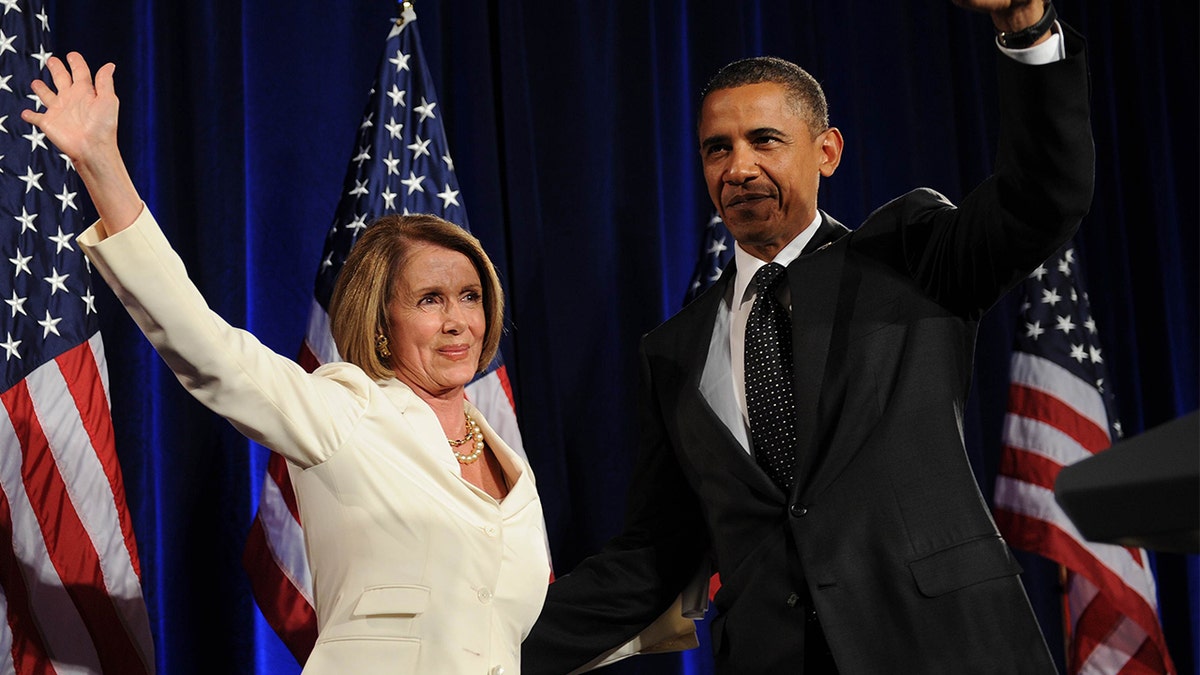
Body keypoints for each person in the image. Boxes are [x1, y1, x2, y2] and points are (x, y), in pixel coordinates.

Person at [522, 0, 1093, 673]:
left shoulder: (909, 256)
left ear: (828, 151)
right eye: (717, 148)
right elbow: (655, 556)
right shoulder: (673, 349)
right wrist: (481, 648)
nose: (737, 167)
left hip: (941, 645)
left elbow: (1042, 198)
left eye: (764, 140)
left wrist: (1024, 29)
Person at [23, 54, 550, 675]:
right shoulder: (346, 412)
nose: (459, 319)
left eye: (470, 296)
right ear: (382, 326)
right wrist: (101, 163)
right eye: (430, 300)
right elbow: (207, 347)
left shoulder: (511, 466)